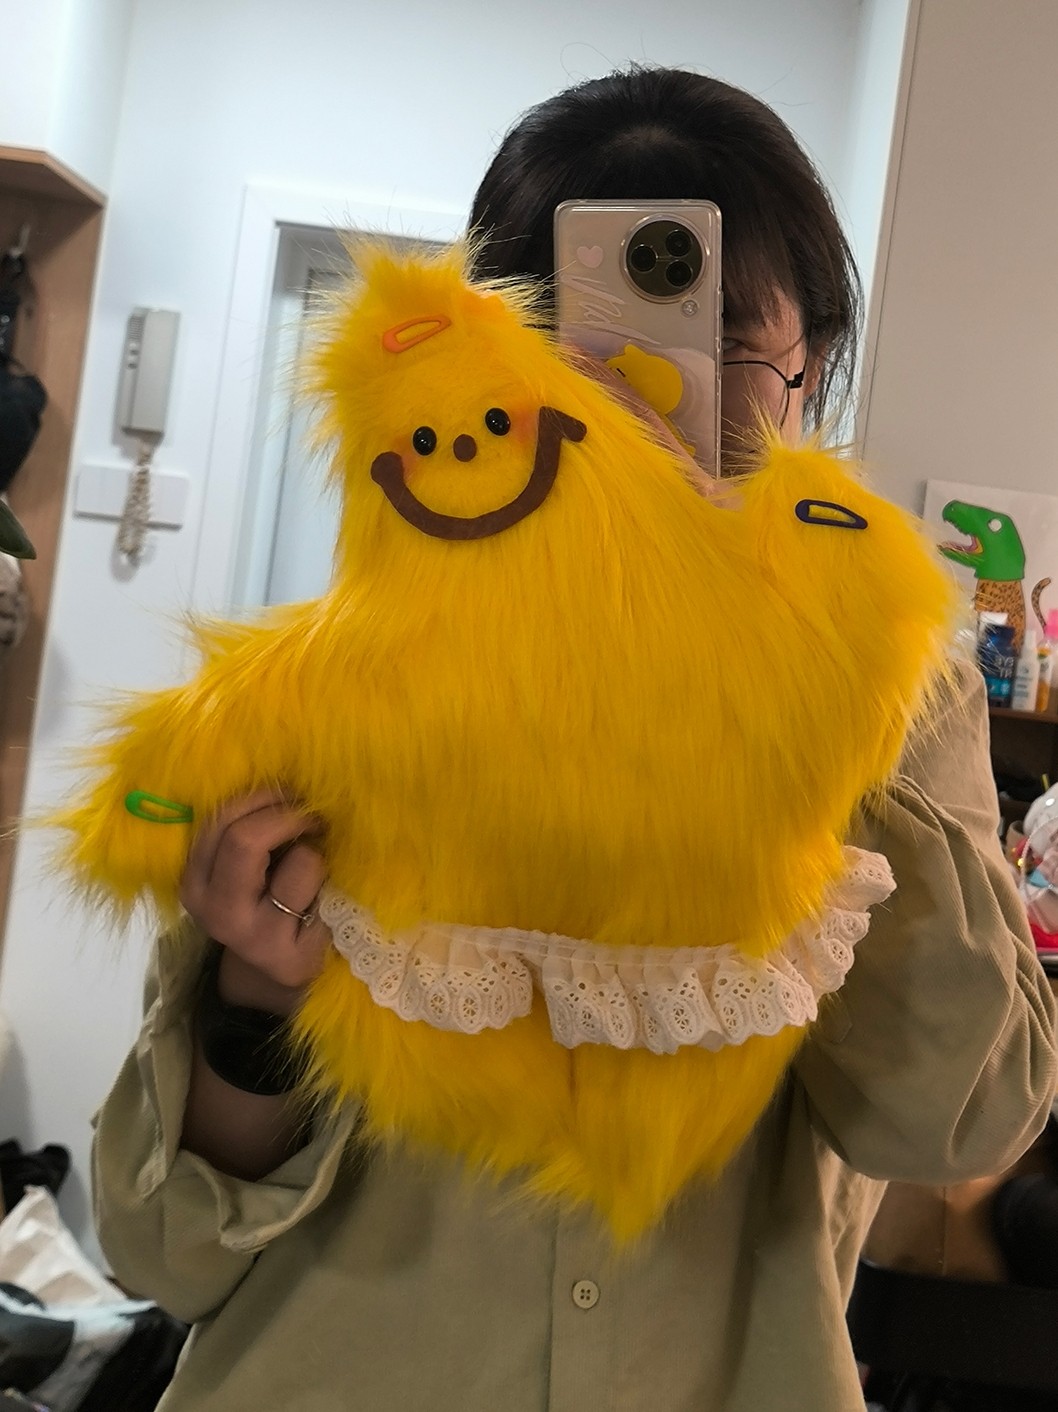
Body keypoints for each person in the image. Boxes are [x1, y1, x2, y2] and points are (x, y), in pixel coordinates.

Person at [91, 68, 1058, 1411]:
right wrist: (256, 1003)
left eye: (721, 349)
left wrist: (813, 708)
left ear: (813, 375)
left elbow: (953, 1126)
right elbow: (162, 1254)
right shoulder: (336, 689)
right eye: (572, 348)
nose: (641, 402)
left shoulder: (902, 692)